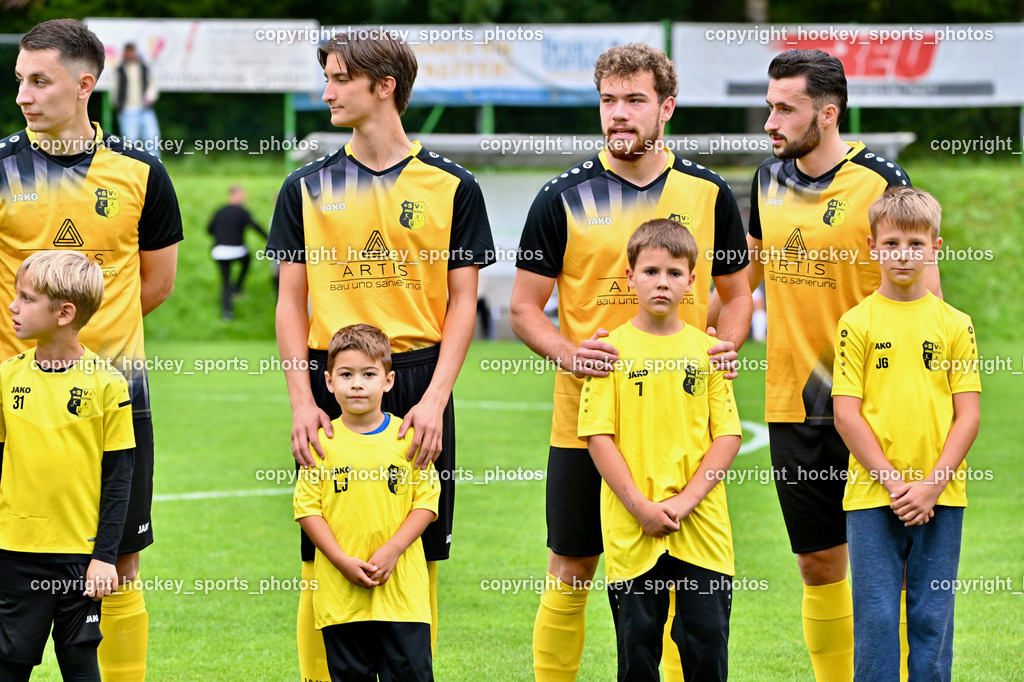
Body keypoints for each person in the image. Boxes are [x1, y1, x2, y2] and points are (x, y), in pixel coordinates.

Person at [510, 42, 751, 681]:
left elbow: (738, 295)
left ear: (666, 107)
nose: (619, 113)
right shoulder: (561, 196)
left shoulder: (708, 192)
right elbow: (525, 309)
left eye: (635, 100)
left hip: (681, 428)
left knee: (681, 573)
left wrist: (726, 347)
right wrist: (571, 354)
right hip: (587, 426)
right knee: (572, 568)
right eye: (608, 100)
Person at [266, 29, 494, 681]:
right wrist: (302, 401)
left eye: (340, 78)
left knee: (419, 553)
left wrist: (435, 401)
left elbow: (463, 302)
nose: (326, 92)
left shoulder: (452, 186)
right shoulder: (305, 186)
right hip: (331, 380)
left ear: (384, 86)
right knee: (321, 554)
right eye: (328, 78)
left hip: (419, 378)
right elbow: (289, 302)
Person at [743, 49, 939, 680]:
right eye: (769, 106)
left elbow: (928, 297)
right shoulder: (765, 180)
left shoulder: (881, 180)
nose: (770, 122)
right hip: (794, 404)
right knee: (818, 564)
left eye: (785, 109)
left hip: (875, 407)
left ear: (827, 114)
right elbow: (742, 282)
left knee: (892, 568)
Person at [7, 19, 183, 680]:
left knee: (120, 561)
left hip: (115, 397)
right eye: (19, 80)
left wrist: (81, 348)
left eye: (40, 81)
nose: (23, 95)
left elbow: (154, 284)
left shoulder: (141, 172)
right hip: (14, 403)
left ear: (85, 84)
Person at [578, 219, 742, 681]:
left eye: (674, 273)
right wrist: (641, 507)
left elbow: (727, 436)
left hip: (702, 528)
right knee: (638, 655)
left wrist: (685, 502)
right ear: (629, 276)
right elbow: (597, 437)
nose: (662, 282)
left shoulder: (709, 351)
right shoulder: (608, 352)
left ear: (692, 281)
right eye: (650, 271)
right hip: (633, 527)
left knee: (707, 649)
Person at [833, 187, 980, 681]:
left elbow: (968, 416)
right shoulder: (856, 323)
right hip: (873, 496)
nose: (903, 254)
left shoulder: (956, 324)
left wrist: (931, 486)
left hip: (942, 496)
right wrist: (897, 485)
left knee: (932, 619)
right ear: (872, 247)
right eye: (891, 243)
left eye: (916, 244)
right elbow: (846, 415)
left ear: (935, 247)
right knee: (875, 621)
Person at [0, 250, 135, 681]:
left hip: (81, 556)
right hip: (14, 553)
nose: (12, 306)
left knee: (79, 662)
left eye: (26, 298)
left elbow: (119, 479)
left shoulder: (108, 384)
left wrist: (105, 558)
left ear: (64, 313)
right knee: (9, 662)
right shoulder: (6, 378)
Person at [294, 323, 439, 682]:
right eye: (346, 374)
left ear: (388, 381)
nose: (357, 384)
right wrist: (341, 561)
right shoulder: (320, 443)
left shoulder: (408, 438)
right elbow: (307, 510)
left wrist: (393, 550)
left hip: (402, 599)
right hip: (341, 599)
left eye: (368, 374)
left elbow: (426, 502)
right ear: (329, 382)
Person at [207, 185, 268, 321]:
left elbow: (209, 229)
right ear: (236, 195)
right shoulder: (242, 211)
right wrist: (270, 240)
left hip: (219, 251)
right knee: (247, 261)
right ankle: (238, 287)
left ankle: (227, 312)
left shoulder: (219, 211)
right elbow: (255, 227)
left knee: (225, 281)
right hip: (237, 250)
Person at [111, 43, 162, 157]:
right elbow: (115, 89)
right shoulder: (120, 70)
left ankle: (155, 163)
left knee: (152, 138)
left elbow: (152, 86)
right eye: (128, 51)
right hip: (127, 110)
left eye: (132, 51)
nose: (131, 54)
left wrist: (150, 96)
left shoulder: (144, 68)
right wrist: (117, 105)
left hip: (145, 109)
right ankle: (132, 164)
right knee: (130, 141)